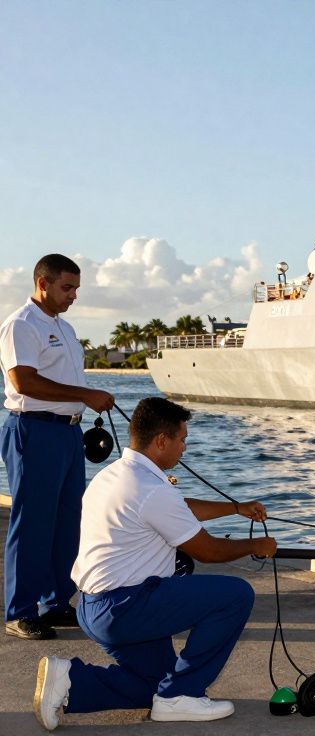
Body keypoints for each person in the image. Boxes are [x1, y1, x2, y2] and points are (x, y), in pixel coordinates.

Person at [32, 397, 277, 729]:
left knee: (154, 686)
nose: (184, 448)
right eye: (182, 439)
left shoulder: (116, 474)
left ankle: (70, 680)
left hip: (93, 608)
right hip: (125, 607)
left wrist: (235, 508)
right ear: (161, 440)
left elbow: (178, 507)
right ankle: (182, 695)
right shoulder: (149, 488)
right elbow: (207, 551)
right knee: (236, 595)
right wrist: (256, 545)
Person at [1, 254, 115, 641]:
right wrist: (86, 393)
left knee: (67, 522)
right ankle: (19, 611)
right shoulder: (21, 324)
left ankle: (56, 602)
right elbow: (23, 382)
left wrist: (85, 402)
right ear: (42, 283)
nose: (73, 295)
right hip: (34, 429)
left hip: (67, 432)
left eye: (76, 289)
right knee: (33, 522)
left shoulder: (63, 327)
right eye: (67, 287)